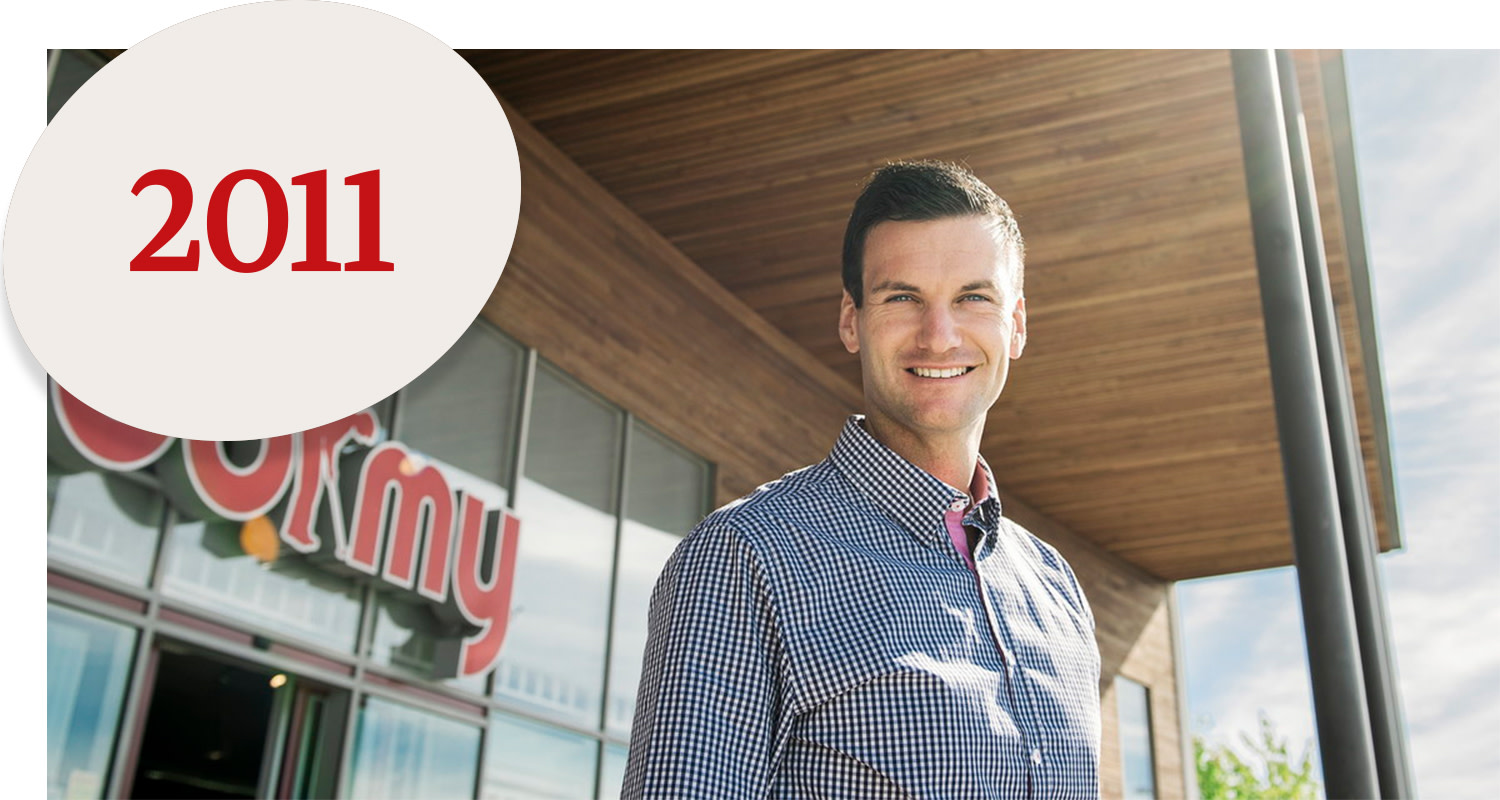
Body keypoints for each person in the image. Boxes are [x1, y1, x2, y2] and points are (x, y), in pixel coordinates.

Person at [623, 161, 1101, 799]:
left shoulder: (1056, 587)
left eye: (973, 297)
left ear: (1015, 325)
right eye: (902, 297)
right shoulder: (745, 558)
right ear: (851, 320)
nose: (939, 335)